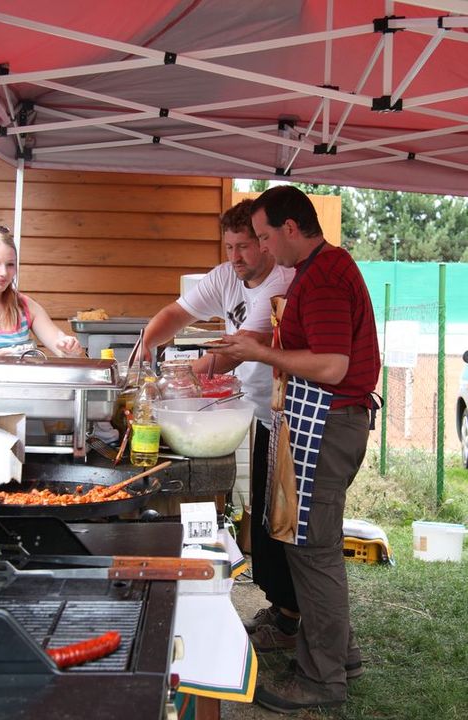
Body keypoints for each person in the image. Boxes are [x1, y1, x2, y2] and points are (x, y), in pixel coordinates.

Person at [211, 186, 381, 712]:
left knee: (314, 553)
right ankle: (341, 655)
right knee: (312, 548)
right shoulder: (317, 271)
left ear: (290, 229)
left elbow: (332, 367)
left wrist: (261, 350)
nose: (261, 248)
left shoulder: (325, 275)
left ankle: (322, 679)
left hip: (331, 424)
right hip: (323, 423)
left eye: (262, 237)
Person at [142, 199, 302, 640]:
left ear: (267, 245)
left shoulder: (280, 281)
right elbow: (176, 313)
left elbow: (236, 352)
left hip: (285, 413)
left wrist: (170, 377)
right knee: (266, 516)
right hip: (252, 410)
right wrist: (145, 349)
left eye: (245, 246)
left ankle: (290, 616)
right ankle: (282, 610)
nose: (234, 257)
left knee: (280, 518)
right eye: (229, 246)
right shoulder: (226, 274)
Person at [0, 226, 83, 357]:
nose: (4, 272)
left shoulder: (24, 305)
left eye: (10, 264)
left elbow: (58, 342)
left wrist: (68, 346)